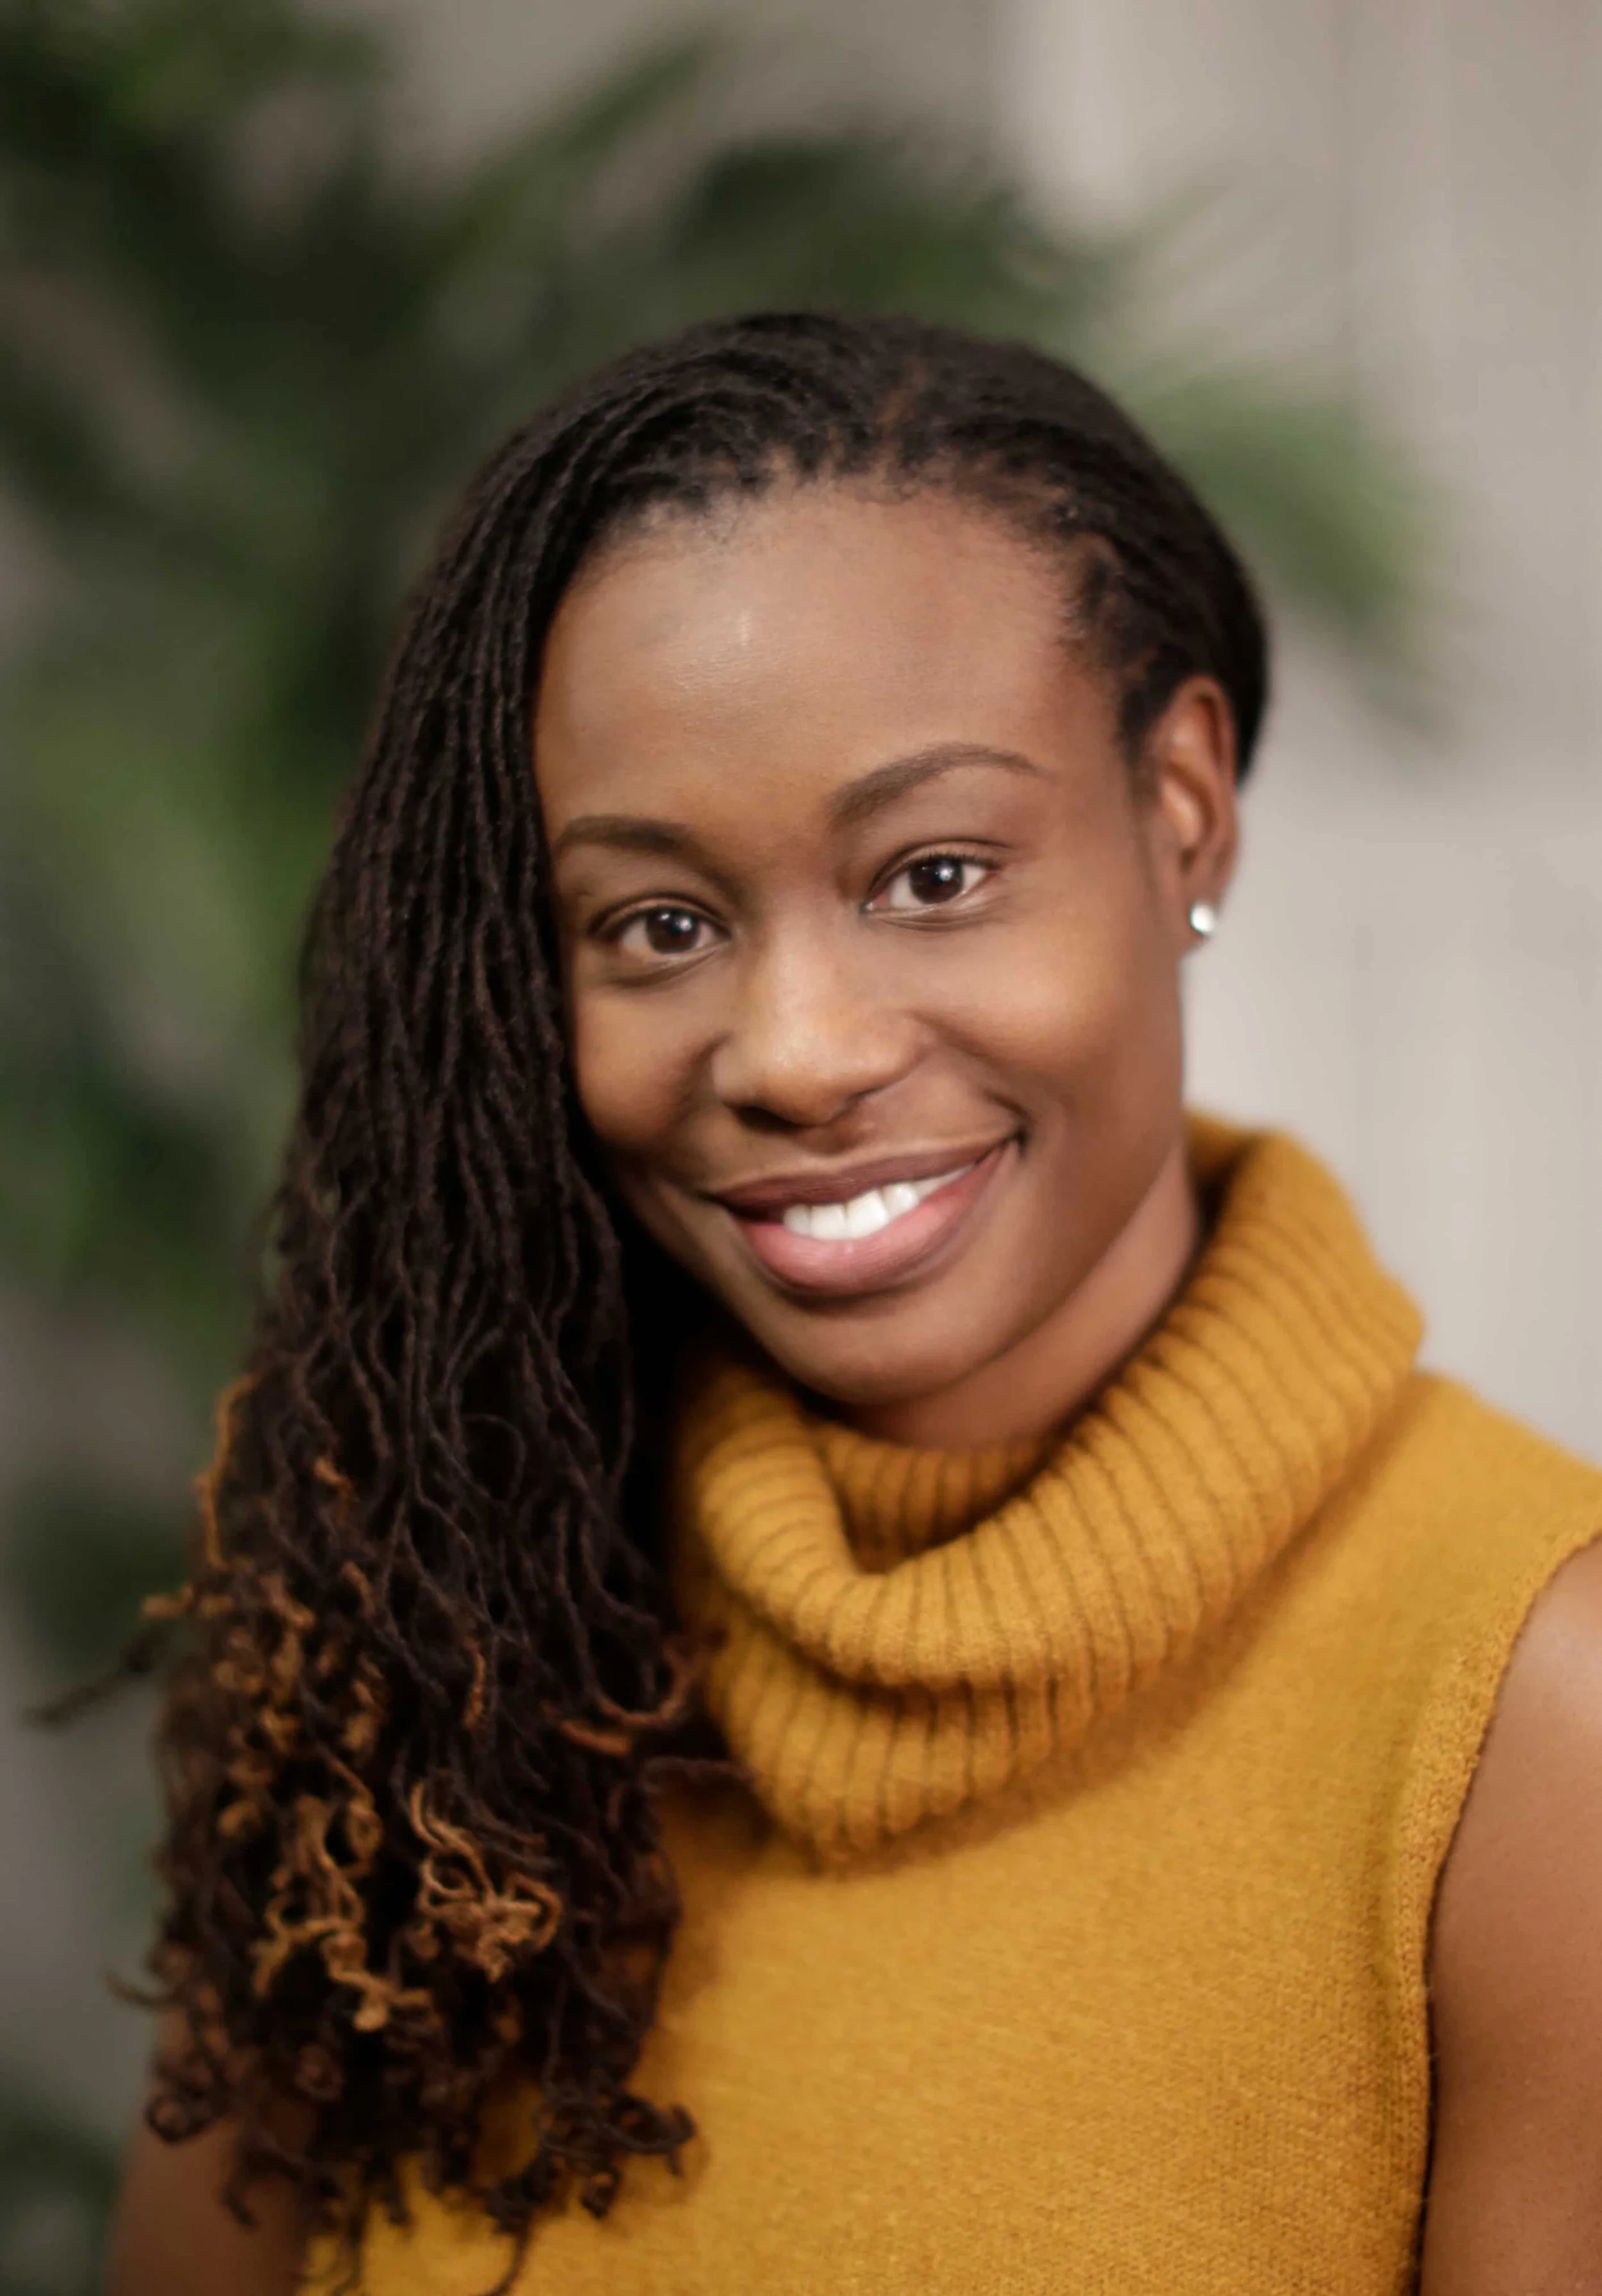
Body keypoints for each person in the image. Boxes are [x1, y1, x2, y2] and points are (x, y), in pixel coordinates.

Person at [108, 312, 1602, 2296]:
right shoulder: (432, 1633)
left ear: (1182, 810)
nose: (795, 1053)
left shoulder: (1527, 1723)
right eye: (657, 925)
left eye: (933, 873)